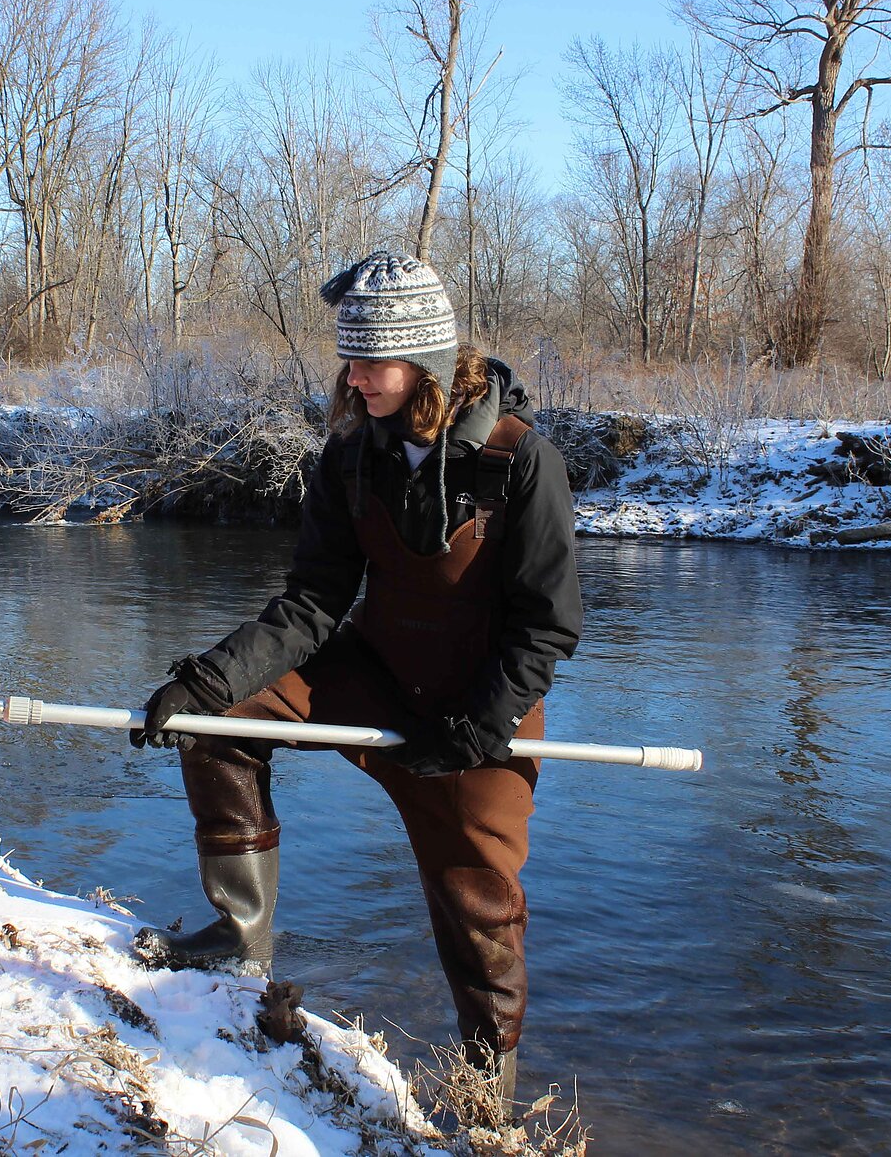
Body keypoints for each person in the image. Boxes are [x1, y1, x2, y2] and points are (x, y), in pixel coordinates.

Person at [129, 251, 583, 1115]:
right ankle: (238, 938)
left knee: (479, 907)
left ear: (426, 365)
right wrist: (205, 681)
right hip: (371, 676)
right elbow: (311, 604)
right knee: (219, 721)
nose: (354, 378)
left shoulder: (524, 466)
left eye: (371, 361)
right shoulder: (347, 459)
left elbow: (549, 625)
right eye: (351, 359)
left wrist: (486, 720)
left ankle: (486, 1091)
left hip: (480, 709)